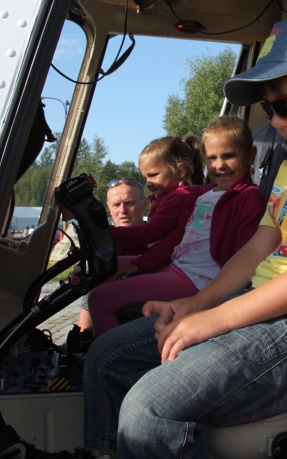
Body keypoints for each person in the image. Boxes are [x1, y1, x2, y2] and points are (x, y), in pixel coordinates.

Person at [83, 14, 287, 458]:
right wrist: (198, 304)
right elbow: (256, 248)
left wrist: (216, 319)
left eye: (286, 105)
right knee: (106, 356)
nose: (276, 122)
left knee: (148, 410)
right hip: (263, 305)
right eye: (269, 109)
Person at [86, 116, 265, 335]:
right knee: (102, 270)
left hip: (198, 281)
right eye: (212, 158)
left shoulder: (249, 198)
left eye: (229, 155)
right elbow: (175, 240)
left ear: (251, 155)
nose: (220, 165)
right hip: (176, 268)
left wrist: (217, 300)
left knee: (99, 299)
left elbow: (244, 255)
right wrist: (140, 264)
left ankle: (109, 351)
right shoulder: (201, 194)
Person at [75, 178, 148, 332]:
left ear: (144, 204)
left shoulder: (159, 240)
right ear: (108, 208)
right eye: (116, 205)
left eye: (129, 203)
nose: (123, 211)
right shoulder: (101, 244)